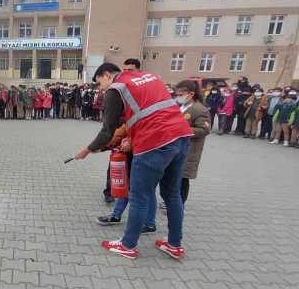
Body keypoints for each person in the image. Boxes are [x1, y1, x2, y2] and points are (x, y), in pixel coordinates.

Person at [75, 62, 193, 260]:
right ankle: (174, 244)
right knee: (172, 194)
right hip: (181, 137)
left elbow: (107, 130)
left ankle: (128, 245)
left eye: (99, 83)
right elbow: (149, 110)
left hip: (154, 143)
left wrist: (87, 150)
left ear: (106, 75)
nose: (101, 88)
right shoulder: (149, 76)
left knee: (139, 195)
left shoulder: (116, 88)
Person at [174, 80, 210, 204]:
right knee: (174, 176)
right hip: (176, 147)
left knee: (183, 178)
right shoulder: (179, 106)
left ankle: (180, 203)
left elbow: (204, 130)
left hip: (190, 150)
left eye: (181, 94)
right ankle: (172, 200)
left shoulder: (200, 109)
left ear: (191, 94)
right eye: (177, 94)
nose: (178, 97)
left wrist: (182, 130)